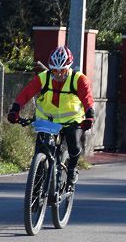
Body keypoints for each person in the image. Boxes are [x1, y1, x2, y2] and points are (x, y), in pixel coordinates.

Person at [7, 45, 95, 189]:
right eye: (55, 70)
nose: (59, 74)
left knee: (74, 145)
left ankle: (72, 170)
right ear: (50, 68)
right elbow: (26, 94)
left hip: (72, 121)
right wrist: (15, 110)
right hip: (47, 121)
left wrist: (90, 117)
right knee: (41, 151)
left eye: (62, 70)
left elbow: (87, 99)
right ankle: (35, 191)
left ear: (69, 67)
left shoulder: (79, 79)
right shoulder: (43, 78)